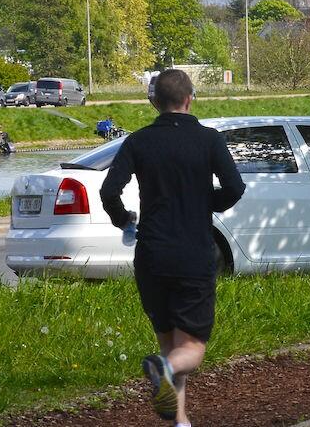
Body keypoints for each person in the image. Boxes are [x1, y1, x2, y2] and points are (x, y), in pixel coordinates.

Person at [98, 68, 245, 427]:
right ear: (190, 98)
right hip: (193, 253)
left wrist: (122, 220)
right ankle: (162, 369)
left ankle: (180, 422)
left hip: (151, 255)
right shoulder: (209, 139)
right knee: (190, 351)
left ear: (154, 102)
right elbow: (235, 187)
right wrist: (204, 200)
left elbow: (108, 190)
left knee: (170, 343)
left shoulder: (138, 141)